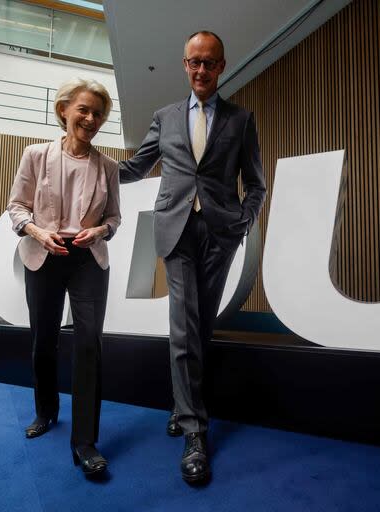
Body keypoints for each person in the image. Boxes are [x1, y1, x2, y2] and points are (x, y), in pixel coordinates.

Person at [119, 31, 266, 484]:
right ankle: (194, 433)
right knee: (183, 323)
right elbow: (137, 167)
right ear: (184, 65)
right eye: (194, 62)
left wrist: (240, 224)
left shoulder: (241, 120)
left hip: (219, 235)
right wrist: (91, 166)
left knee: (201, 327)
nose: (201, 70)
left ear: (221, 66)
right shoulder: (164, 117)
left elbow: (256, 184)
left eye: (210, 63)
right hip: (175, 232)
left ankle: (182, 405)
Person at [7, 78, 121, 478]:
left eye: (98, 114)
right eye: (83, 111)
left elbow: (114, 218)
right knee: (44, 341)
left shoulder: (108, 167)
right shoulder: (35, 155)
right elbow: (17, 208)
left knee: (89, 344)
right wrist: (38, 232)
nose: (90, 119)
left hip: (87, 257)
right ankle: (46, 411)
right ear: (64, 111)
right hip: (44, 253)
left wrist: (101, 231)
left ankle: (85, 443)